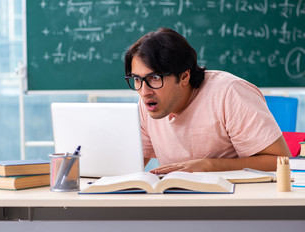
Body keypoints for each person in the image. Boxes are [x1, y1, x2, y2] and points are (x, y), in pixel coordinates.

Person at [124, 27, 291, 174]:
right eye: (137, 79)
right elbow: (127, 167)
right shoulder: (148, 104)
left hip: (235, 202)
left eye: (154, 78)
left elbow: (281, 161)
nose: (144, 92)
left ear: (184, 76)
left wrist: (211, 165)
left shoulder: (229, 93)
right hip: (179, 202)